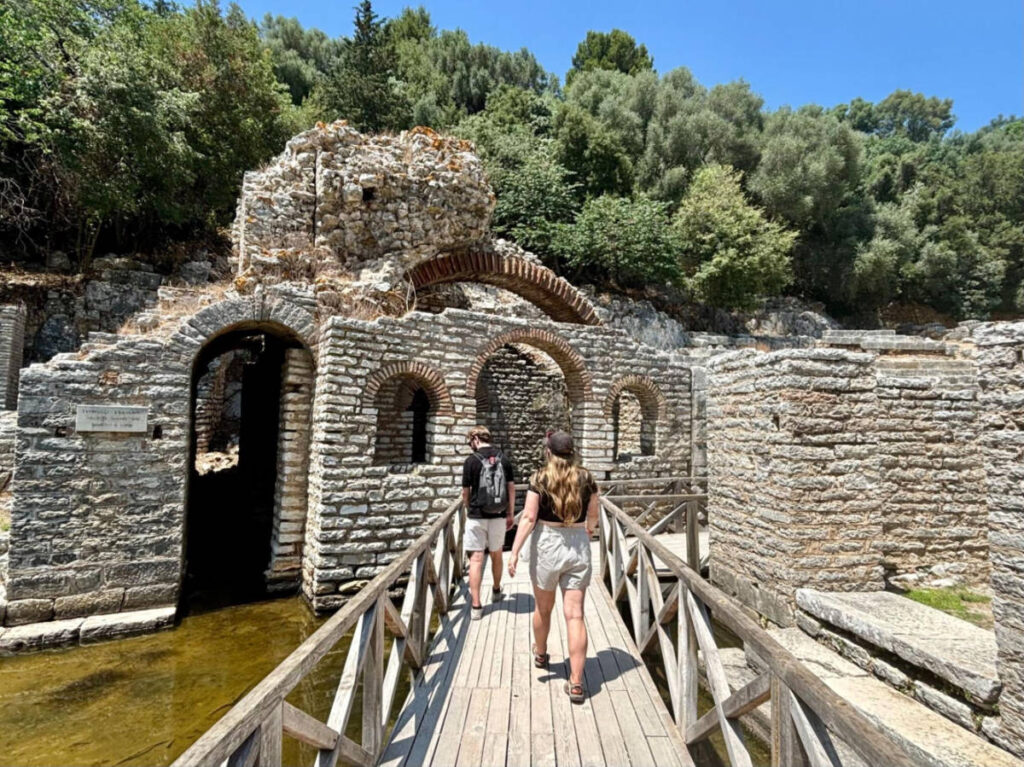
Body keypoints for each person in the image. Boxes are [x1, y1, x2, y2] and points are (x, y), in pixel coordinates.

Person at [508, 430, 598, 704]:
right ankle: (576, 682)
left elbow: (529, 517)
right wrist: (588, 532)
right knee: (575, 616)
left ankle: (541, 653)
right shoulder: (587, 478)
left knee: (543, 609)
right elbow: (593, 515)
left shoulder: (540, 478)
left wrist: (514, 551)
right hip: (577, 543)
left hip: (547, 542)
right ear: (572, 452)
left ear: (549, 452)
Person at [461, 425, 516, 620]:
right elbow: (510, 488)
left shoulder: (470, 461)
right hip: (498, 515)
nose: (471, 446)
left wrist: (469, 508)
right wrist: (510, 512)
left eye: (470, 442)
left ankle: (476, 606)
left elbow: (465, 492)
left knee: (476, 560)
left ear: (475, 438)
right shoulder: (504, 458)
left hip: (476, 516)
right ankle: (496, 590)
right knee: (496, 554)